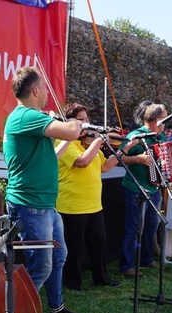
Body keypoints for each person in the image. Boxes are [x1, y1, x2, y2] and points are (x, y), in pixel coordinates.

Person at [3, 66, 83, 313]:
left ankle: (56, 309)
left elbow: (51, 156)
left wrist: (68, 136)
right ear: (35, 90)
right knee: (40, 267)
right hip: (30, 206)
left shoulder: (31, 119)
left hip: (45, 205)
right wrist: (75, 123)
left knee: (59, 256)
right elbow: (71, 129)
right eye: (45, 88)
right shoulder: (27, 116)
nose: (48, 93)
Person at [56, 103, 136, 290]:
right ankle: (73, 282)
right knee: (74, 246)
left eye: (87, 119)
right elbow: (82, 162)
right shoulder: (65, 143)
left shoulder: (89, 144)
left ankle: (101, 278)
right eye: (81, 120)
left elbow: (105, 167)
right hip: (72, 204)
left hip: (93, 204)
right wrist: (99, 141)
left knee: (99, 242)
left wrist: (124, 149)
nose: (86, 124)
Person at [119, 101, 168, 278]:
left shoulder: (160, 137)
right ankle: (127, 265)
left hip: (153, 188)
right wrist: (138, 159)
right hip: (134, 187)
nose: (166, 122)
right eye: (164, 119)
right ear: (156, 120)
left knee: (151, 225)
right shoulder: (135, 136)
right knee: (133, 227)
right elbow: (119, 159)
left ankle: (147, 259)